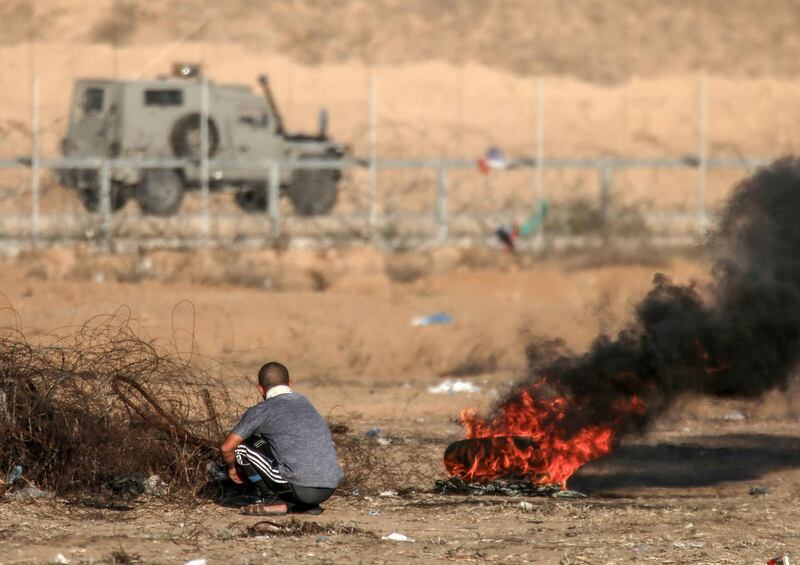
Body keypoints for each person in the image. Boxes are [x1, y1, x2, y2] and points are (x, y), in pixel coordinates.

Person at [220, 361, 343, 516]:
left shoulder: (261, 410)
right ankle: (305, 506)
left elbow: (226, 447)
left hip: (300, 488)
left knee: (243, 446)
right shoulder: (306, 403)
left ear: (260, 389)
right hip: (329, 487)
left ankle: (271, 500)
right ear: (290, 384)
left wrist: (232, 469)